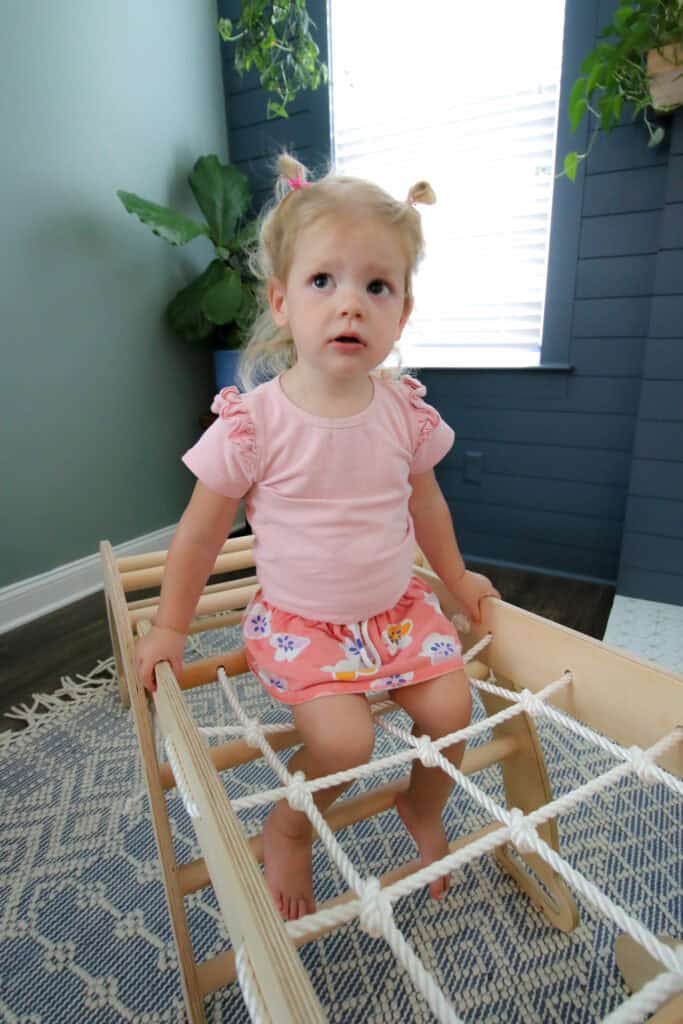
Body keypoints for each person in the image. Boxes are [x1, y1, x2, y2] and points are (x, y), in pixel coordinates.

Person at [136, 153, 500, 922]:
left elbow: (426, 507)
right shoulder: (255, 422)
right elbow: (200, 536)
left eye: (376, 287)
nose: (350, 306)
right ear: (281, 301)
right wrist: (170, 625)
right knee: (342, 744)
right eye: (322, 282)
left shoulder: (404, 411)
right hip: (305, 624)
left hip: (395, 610)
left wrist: (458, 577)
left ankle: (421, 806)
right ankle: (290, 826)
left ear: (401, 313)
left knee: (450, 712)